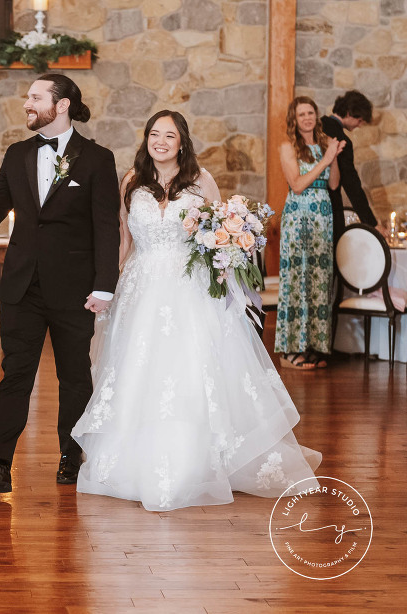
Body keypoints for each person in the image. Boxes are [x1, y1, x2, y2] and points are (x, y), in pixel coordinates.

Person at [71, 110, 321, 512]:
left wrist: (227, 274)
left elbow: (219, 238)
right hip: (140, 287)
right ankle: (134, 459)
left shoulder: (201, 180)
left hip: (190, 288)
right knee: (140, 370)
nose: (160, 142)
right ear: (146, 139)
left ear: (182, 142)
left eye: (169, 135)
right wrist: (107, 287)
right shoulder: (131, 181)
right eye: (154, 134)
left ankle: (200, 458)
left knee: (191, 368)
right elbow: (123, 239)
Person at [0, 74, 121, 493]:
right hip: (22, 288)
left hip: (75, 290)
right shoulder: (17, 154)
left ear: (62, 104)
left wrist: (104, 286)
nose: (27, 104)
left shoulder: (97, 159)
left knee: (74, 377)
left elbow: (106, 227)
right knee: (15, 373)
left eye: (36, 97)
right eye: (27, 98)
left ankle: (71, 457)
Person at [275, 96, 345, 370]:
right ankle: (290, 350)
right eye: (301, 114)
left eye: (310, 113)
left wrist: (333, 157)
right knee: (297, 279)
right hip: (298, 217)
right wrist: (325, 160)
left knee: (318, 281)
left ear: (316, 116)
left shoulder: (325, 145)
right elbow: (297, 184)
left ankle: (314, 346)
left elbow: (334, 185)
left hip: (322, 218)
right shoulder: (288, 146)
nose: (307, 118)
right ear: (294, 119)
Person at [321, 90, 384, 243]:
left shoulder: (316, 126)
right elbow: (352, 185)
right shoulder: (342, 140)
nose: (360, 125)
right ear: (349, 113)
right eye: (359, 120)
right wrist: (372, 223)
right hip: (329, 206)